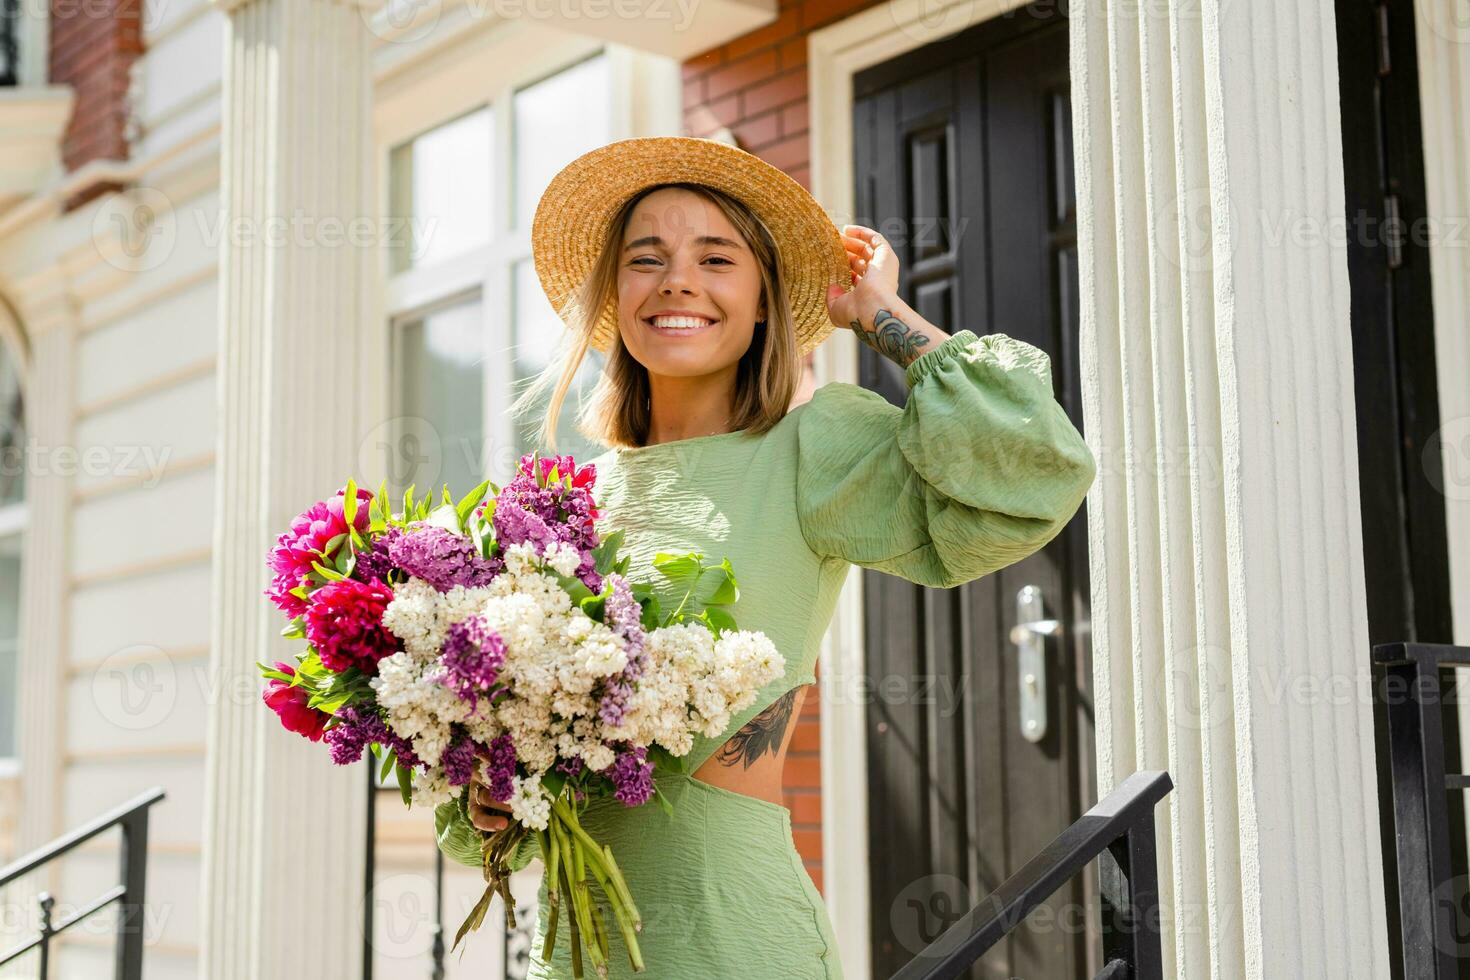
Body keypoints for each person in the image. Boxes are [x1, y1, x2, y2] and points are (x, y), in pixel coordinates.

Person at [434, 135, 1097, 979]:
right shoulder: (560, 509)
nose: (678, 279)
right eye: (647, 258)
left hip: (732, 936)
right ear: (615, 295)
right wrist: (488, 795)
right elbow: (486, 809)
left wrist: (880, 317)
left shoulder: (810, 448)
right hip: (572, 952)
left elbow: (1036, 476)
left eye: (716, 257)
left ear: (760, 303)